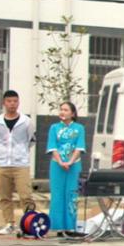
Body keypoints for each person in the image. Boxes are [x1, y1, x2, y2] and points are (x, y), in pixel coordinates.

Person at [0, 90, 35, 235]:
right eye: (9, 101)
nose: (12, 104)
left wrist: (21, 151)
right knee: (5, 196)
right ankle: (9, 224)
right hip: (1, 163)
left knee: (26, 195)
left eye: (15, 101)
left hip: (20, 164)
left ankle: (30, 223)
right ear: (4, 103)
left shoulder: (26, 121)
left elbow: (31, 140)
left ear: (18, 102)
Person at [46, 102, 86, 238]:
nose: (62, 112)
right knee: (57, 194)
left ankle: (70, 227)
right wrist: (60, 161)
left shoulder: (79, 128)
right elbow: (52, 146)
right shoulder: (54, 128)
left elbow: (79, 147)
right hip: (57, 165)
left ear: (72, 113)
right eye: (61, 109)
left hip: (74, 166)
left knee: (71, 194)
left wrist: (70, 161)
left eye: (66, 110)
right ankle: (58, 227)